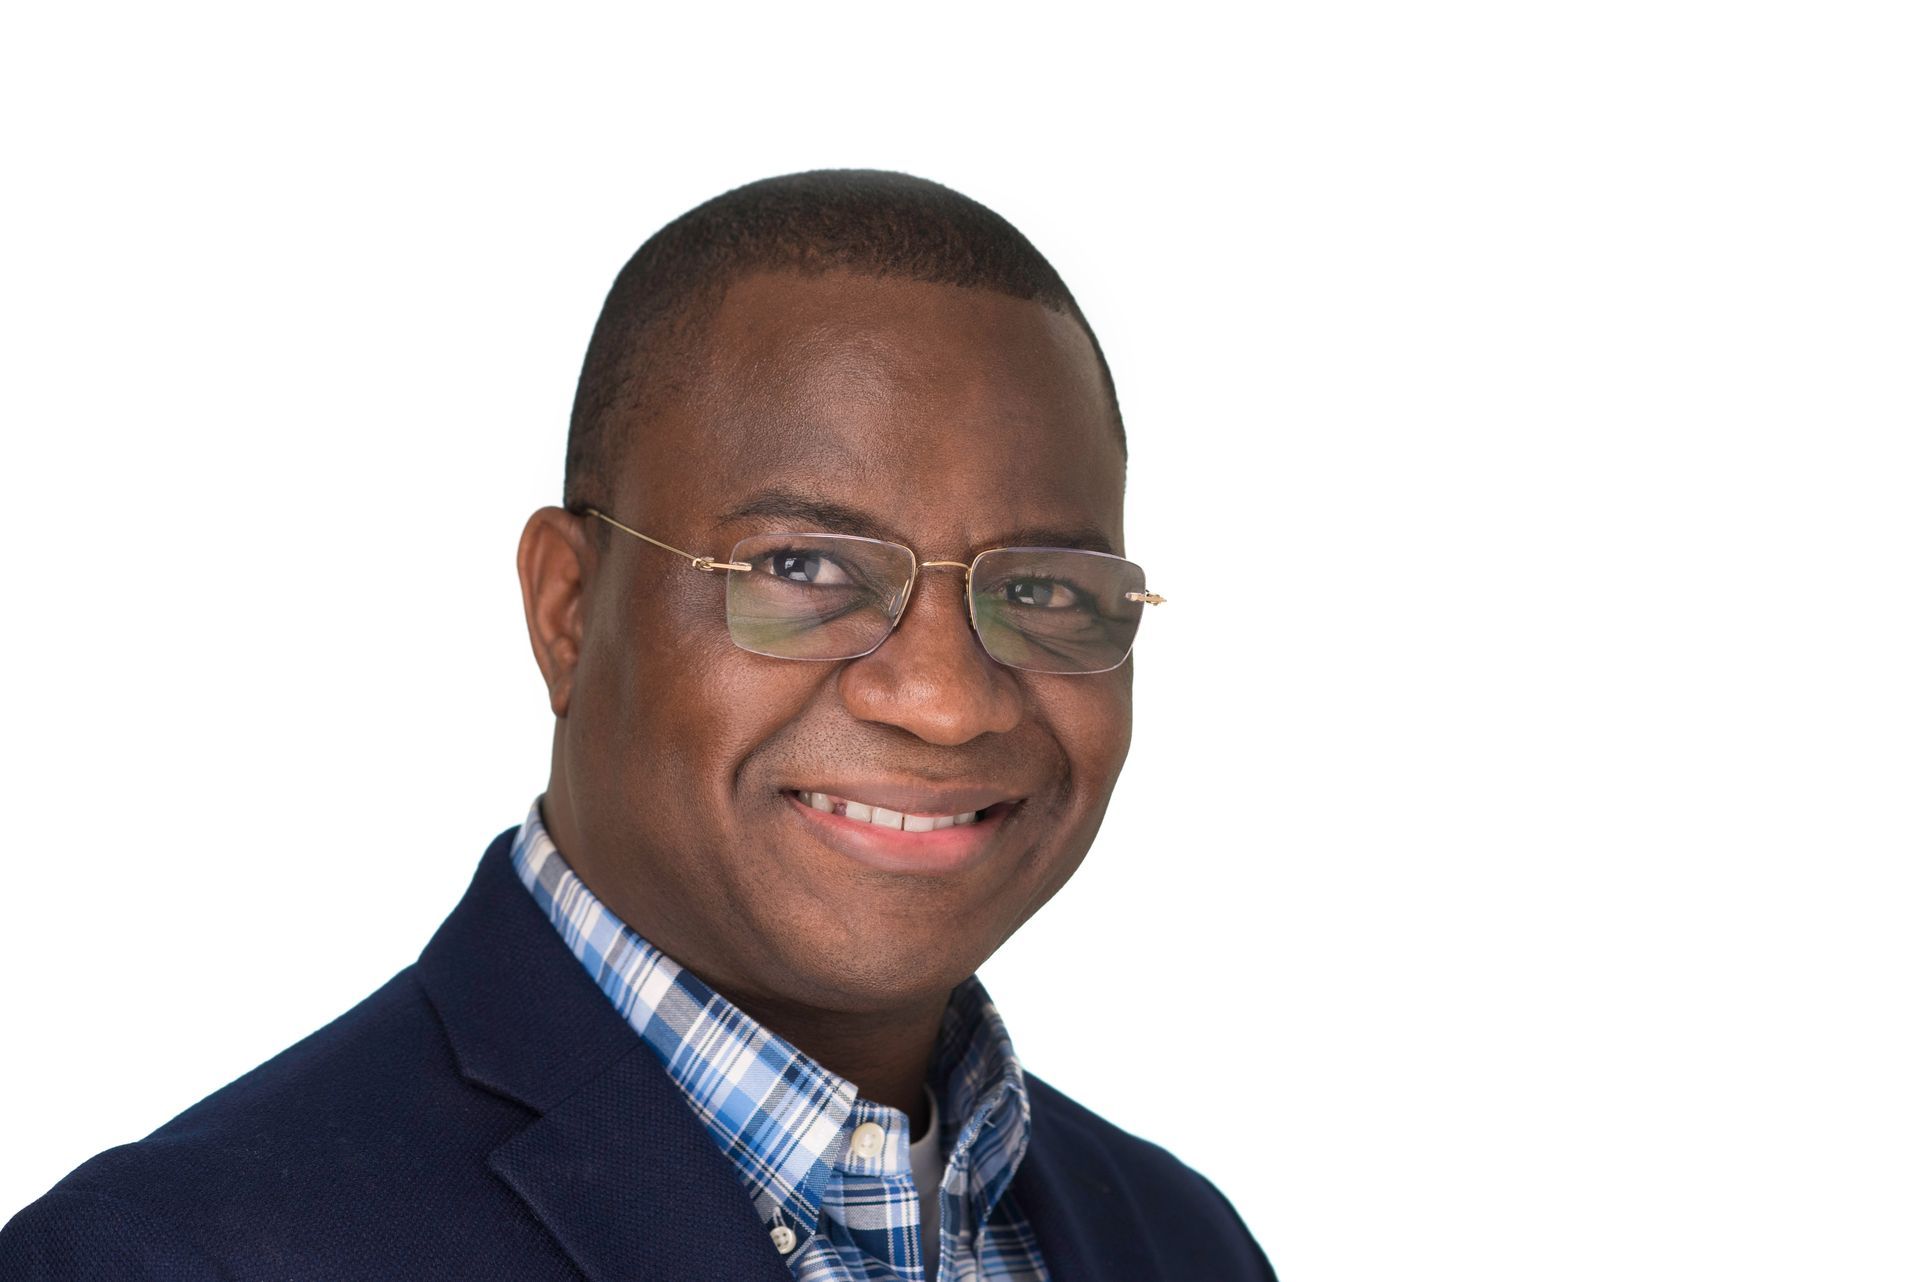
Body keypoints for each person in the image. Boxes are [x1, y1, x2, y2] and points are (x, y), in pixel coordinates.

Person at [1, 170, 1275, 1281]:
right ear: (568, 609)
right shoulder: (170, 1256)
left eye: (1042, 590)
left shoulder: (1183, 1243)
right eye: (802, 567)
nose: (946, 701)